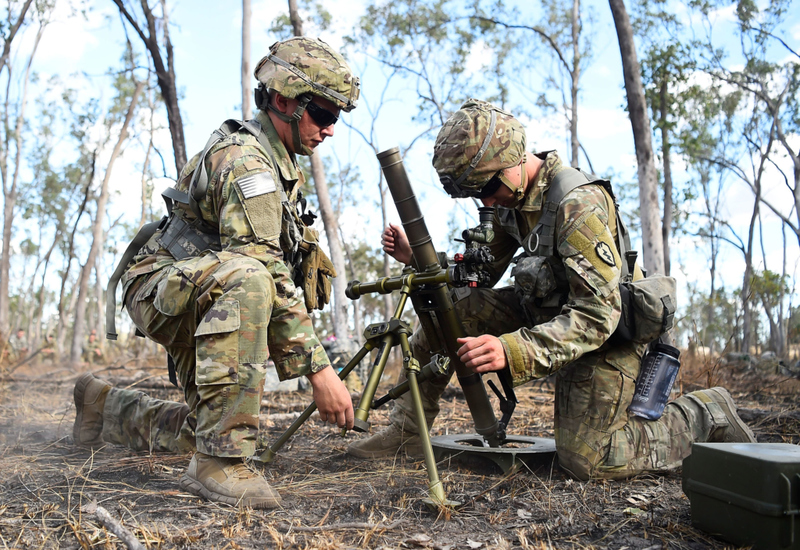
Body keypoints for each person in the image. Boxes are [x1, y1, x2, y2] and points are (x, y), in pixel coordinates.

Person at [347, 99, 756, 480]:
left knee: (588, 459)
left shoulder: (576, 204)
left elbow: (598, 314)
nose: (483, 202)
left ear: (510, 164)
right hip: (546, 313)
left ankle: (706, 412)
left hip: (607, 332)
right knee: (451, 306)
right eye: (473, 194)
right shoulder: (509, 199)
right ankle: (407, 432)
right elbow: (482, 273)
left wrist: (512, 350)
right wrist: (419, 257)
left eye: (485, 190)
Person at [73, 37, 360, 508]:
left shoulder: (280, 162)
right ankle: (219, 465)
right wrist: (319, 371)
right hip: (162, 288)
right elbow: (261, 268)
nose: (330, 130)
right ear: (285, 100)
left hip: (198, 290)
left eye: (336, 118)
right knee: (252, 277)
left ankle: (102, 405)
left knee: (205, 429)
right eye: (324, 115)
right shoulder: (249, 163)